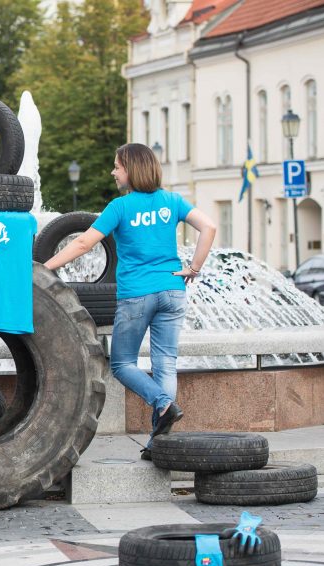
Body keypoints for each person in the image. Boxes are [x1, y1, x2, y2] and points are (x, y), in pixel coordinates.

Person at [44, 143, 216, 460]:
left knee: (122, 364)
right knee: (166, 365)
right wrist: (193, 269)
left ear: (131, 170)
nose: (113, 172)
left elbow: (83, 243)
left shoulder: (120, 208)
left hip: (137, 294)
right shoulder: (172, 201)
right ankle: (157, 442)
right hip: (173, 289)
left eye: (117, 167)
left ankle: (163, 404)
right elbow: (209, 227)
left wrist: (44, 267)